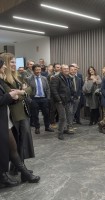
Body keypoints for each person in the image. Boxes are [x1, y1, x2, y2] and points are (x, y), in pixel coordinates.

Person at [0, 58, 40, 186]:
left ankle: (19, 170)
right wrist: (21, 92)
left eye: (14, 62)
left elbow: (30, 89)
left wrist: (21, 92)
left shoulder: (17, 76)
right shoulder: (4, 80)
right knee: (15, 144)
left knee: (21, 143)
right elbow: (11, 97)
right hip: (12, 115)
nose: (13, 65)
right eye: (10, 62)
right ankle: (19, 172)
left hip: (20, 113)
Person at [27, 64, 54, 134]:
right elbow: (26, 90)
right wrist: (30, 100)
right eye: (36, 70)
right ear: (33, 70)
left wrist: (48, 98)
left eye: (39, 70)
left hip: (44, 98)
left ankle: (47, 127)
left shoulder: (44, 78)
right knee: (35, 114)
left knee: (46, 114)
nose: (38, 71)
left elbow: (48, 89)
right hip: (34, 99)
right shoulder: (29, 79)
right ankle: (37, 128)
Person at [50, 64, 75, 140]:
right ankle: (60, 133)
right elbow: (54, 90)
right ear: (61, 70)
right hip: (60, 101)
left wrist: (73, 96)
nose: (66, 70)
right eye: (64, 69)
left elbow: (71, 88)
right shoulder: (56, 78)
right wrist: (59, 100)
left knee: (68, 115)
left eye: (67, 69)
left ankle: (65, 129)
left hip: (68, 100)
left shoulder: (69, 77)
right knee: (62, 117)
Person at [69, 64, 82, 130]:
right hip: (69, 99)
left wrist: (79, 96)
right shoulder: (67, 78)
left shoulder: (78, 79)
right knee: (69, 112)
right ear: (69, 70)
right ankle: (69, 126)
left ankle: (70, 125)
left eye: (74, 69)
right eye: (71, 70)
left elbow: (80, 88)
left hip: (77, 98)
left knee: (73, 112)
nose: (73, 71)